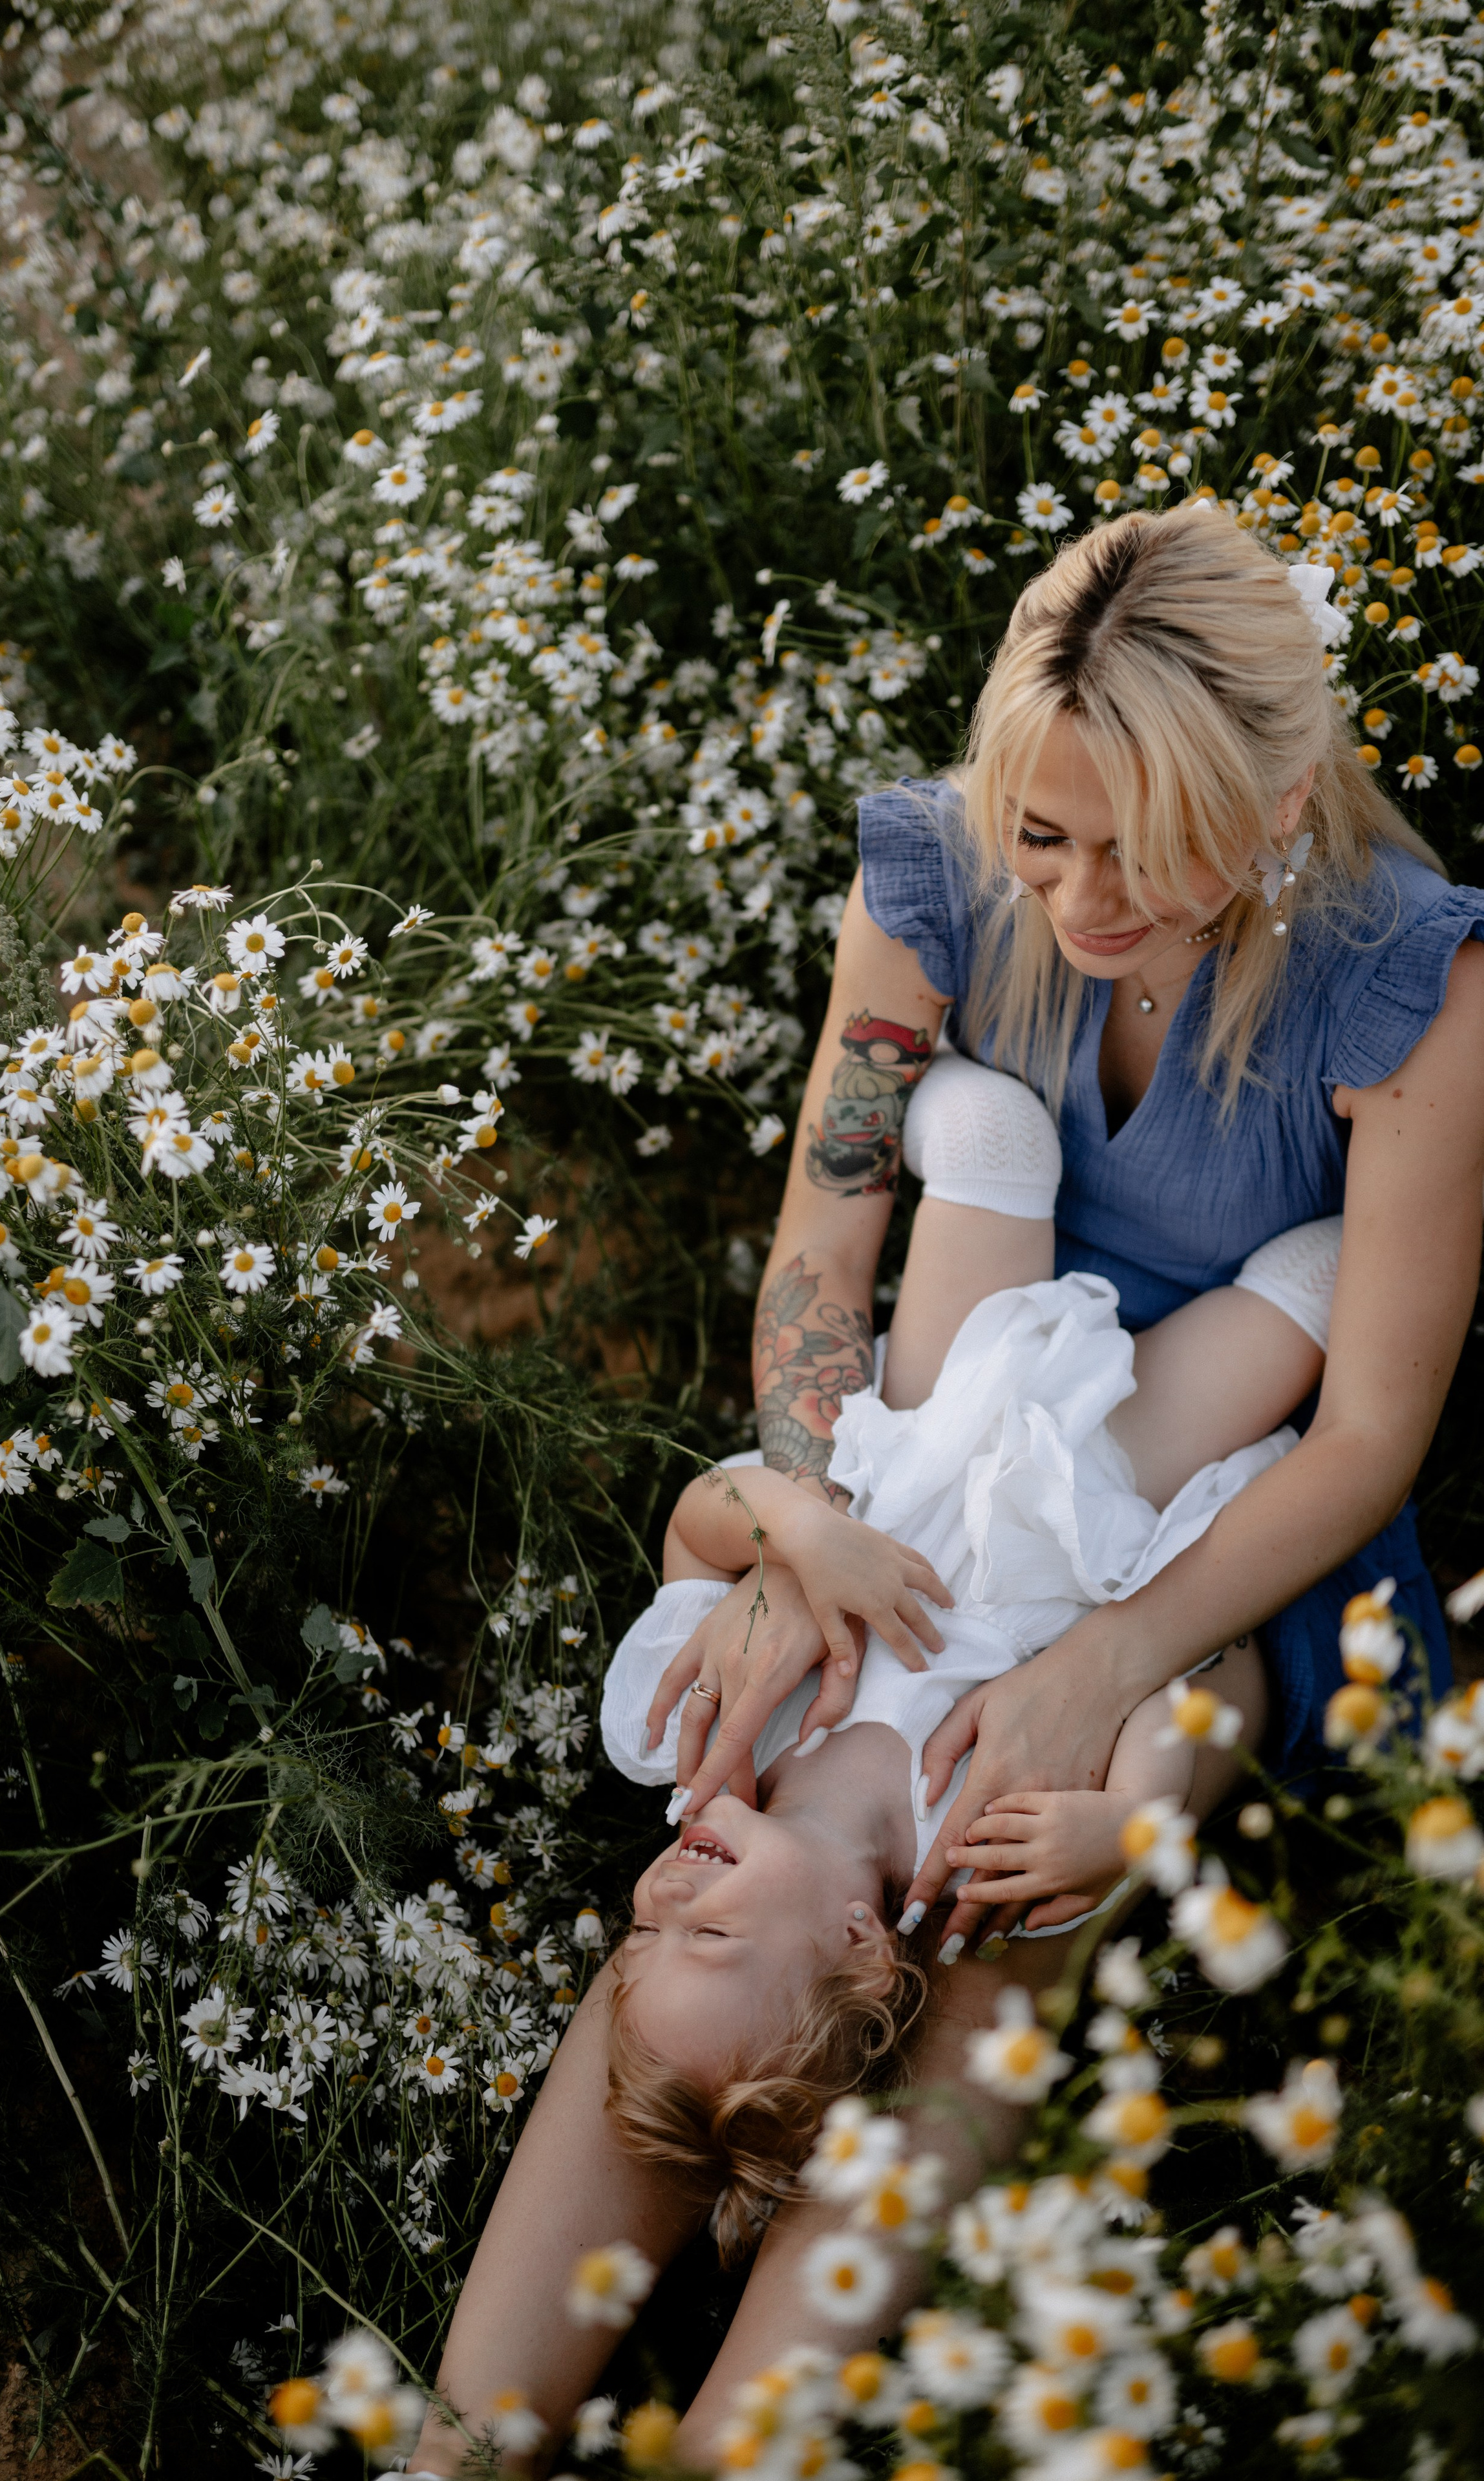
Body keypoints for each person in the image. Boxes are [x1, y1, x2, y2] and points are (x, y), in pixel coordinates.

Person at [411, 505, 1484, 2466]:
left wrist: (1103, 1673)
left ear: (1274, 802)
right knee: (709, 1982)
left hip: (1225, 1500)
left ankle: (750, 2435)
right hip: (928, 1411)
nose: (1070, 903)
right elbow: (829, 1245)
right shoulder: (934, 882)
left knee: (993, 1931)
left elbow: (1369, 1437)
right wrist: (793, 1524)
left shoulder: (1411, 989)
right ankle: (455, 2448)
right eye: (1039, 834)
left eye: (1131, 850)